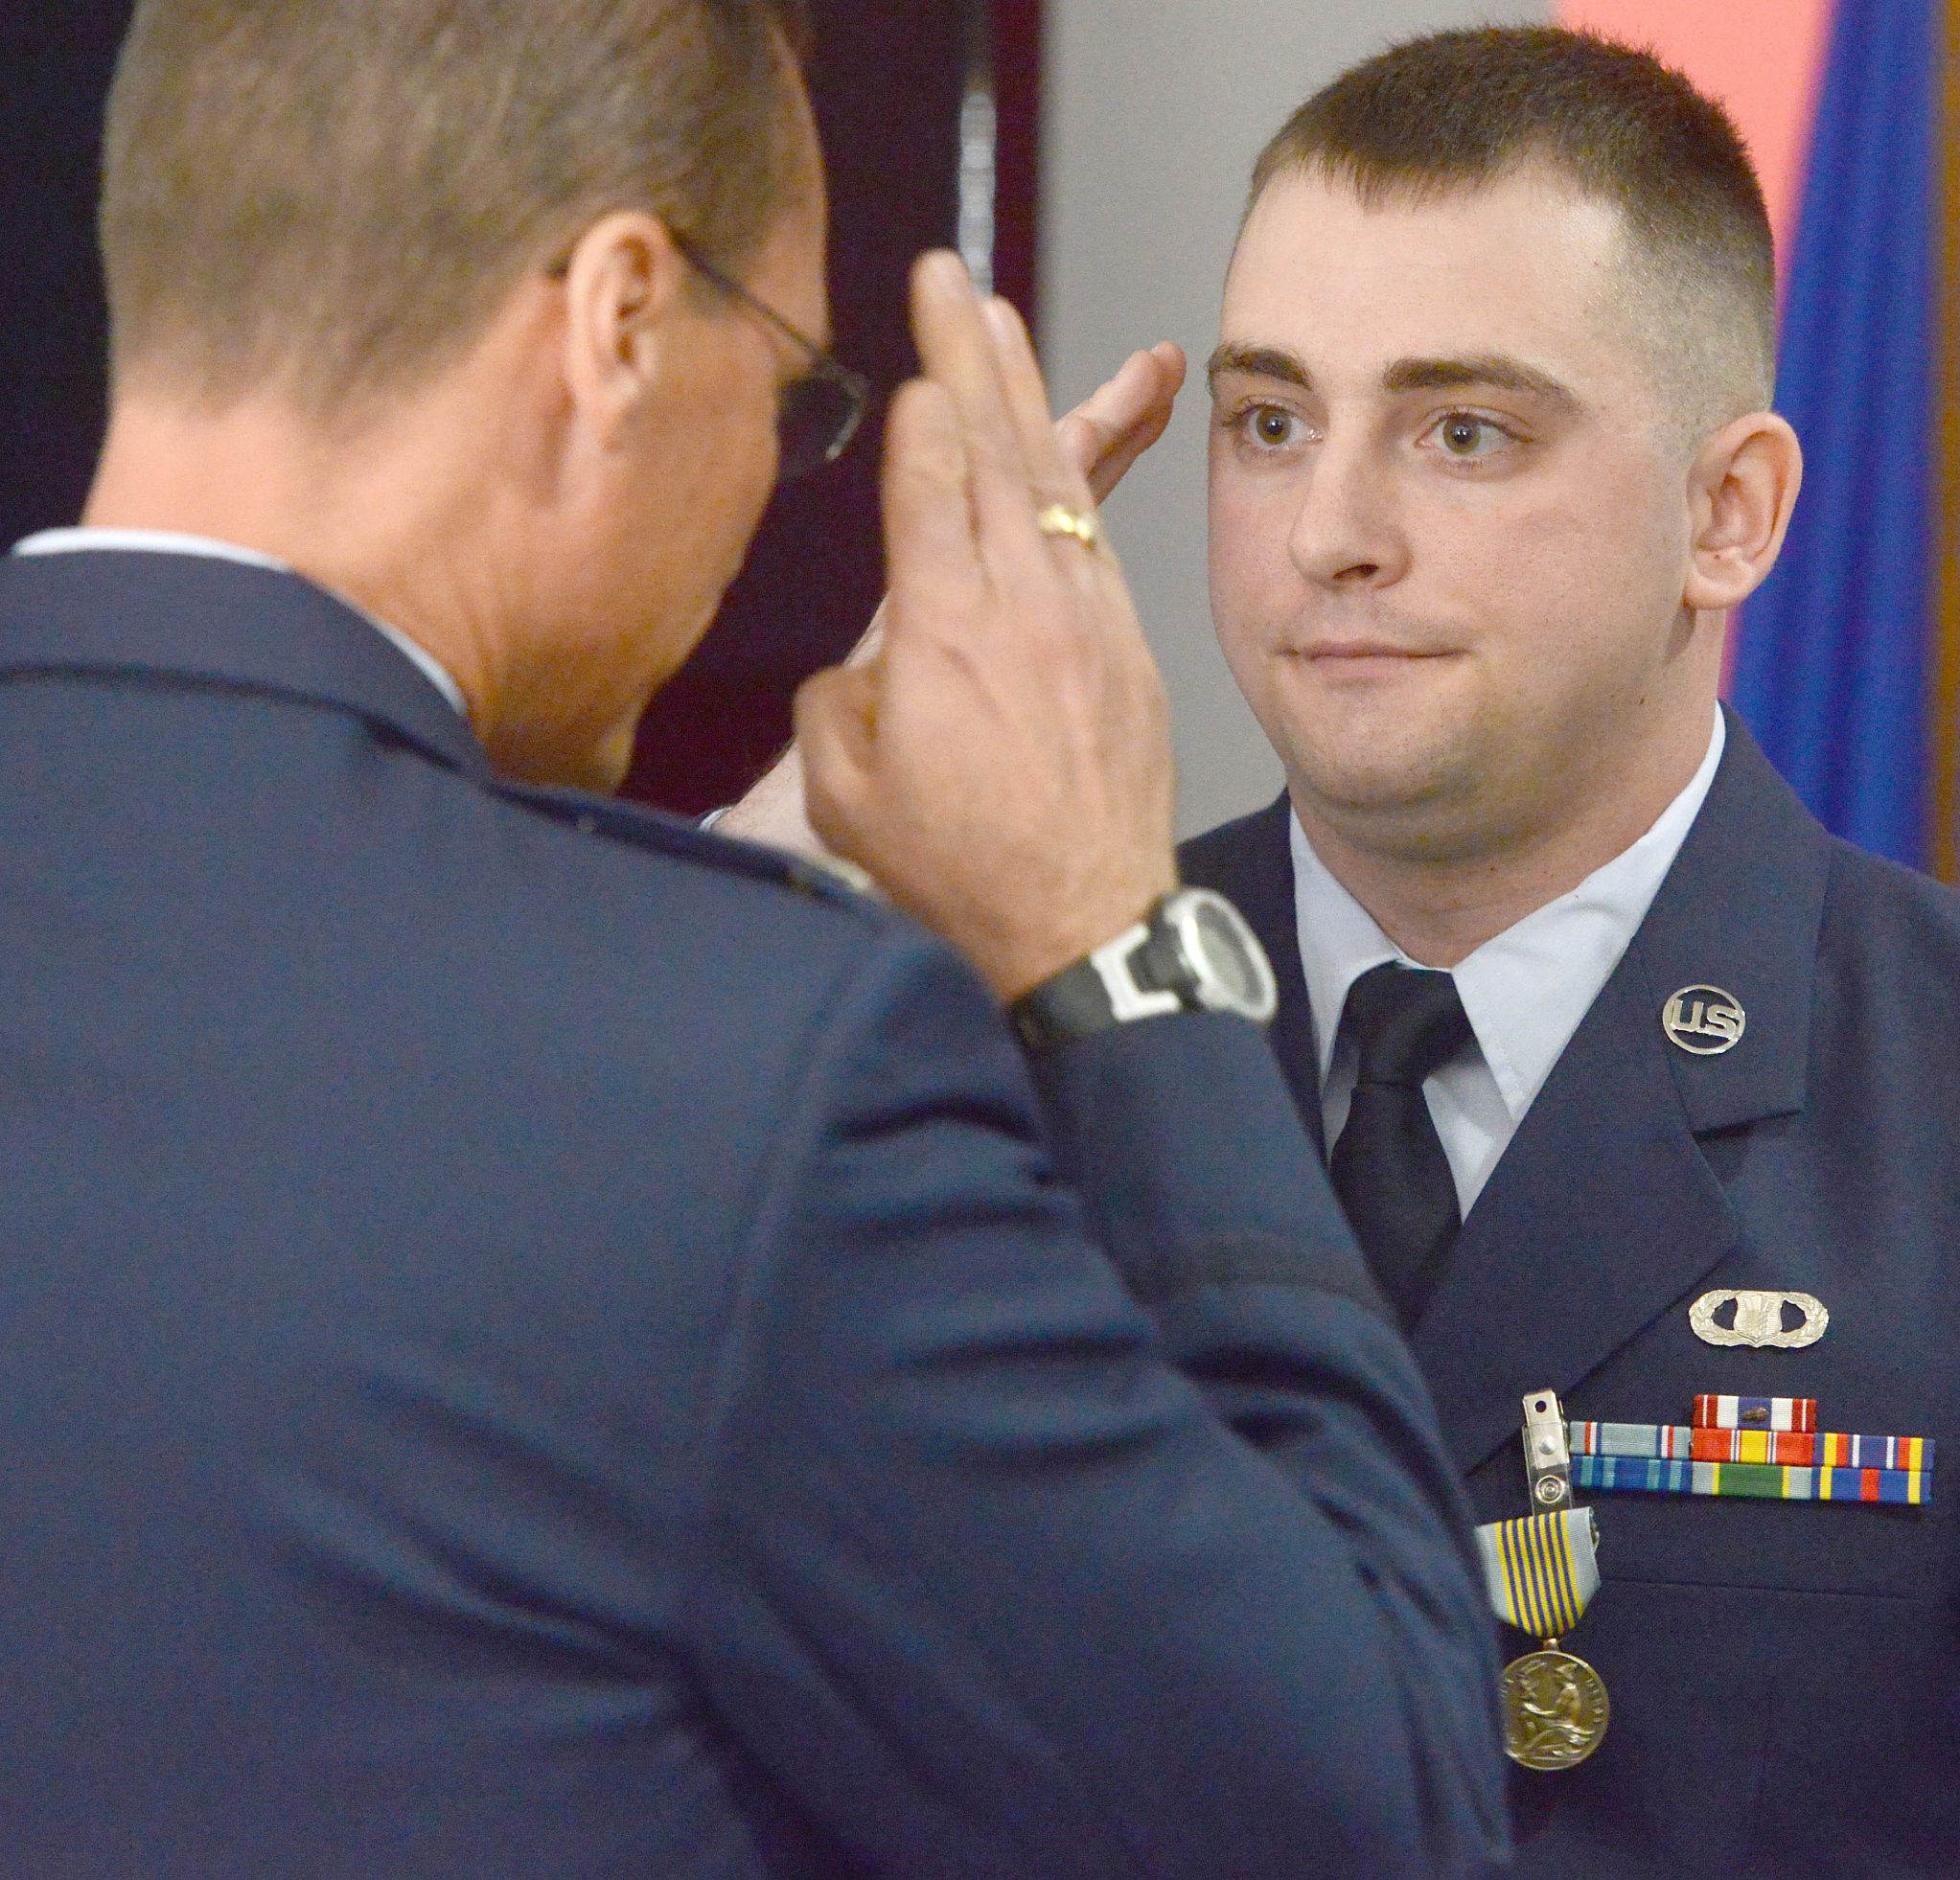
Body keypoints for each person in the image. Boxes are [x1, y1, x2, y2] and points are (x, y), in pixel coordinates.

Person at [0, 5, 1509, 1876]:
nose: (773, 477)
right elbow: (1367, 1815)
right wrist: (1113, 938)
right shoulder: (736, 1093)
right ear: (618, 322)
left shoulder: (697, 1047)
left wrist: (714, 926)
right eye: (795, 389)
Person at [1171, 26, 1960, 1876]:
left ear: (1731, 513)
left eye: (1465, 432)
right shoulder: (995, 1037)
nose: (1330, 531)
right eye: (1271, 420)